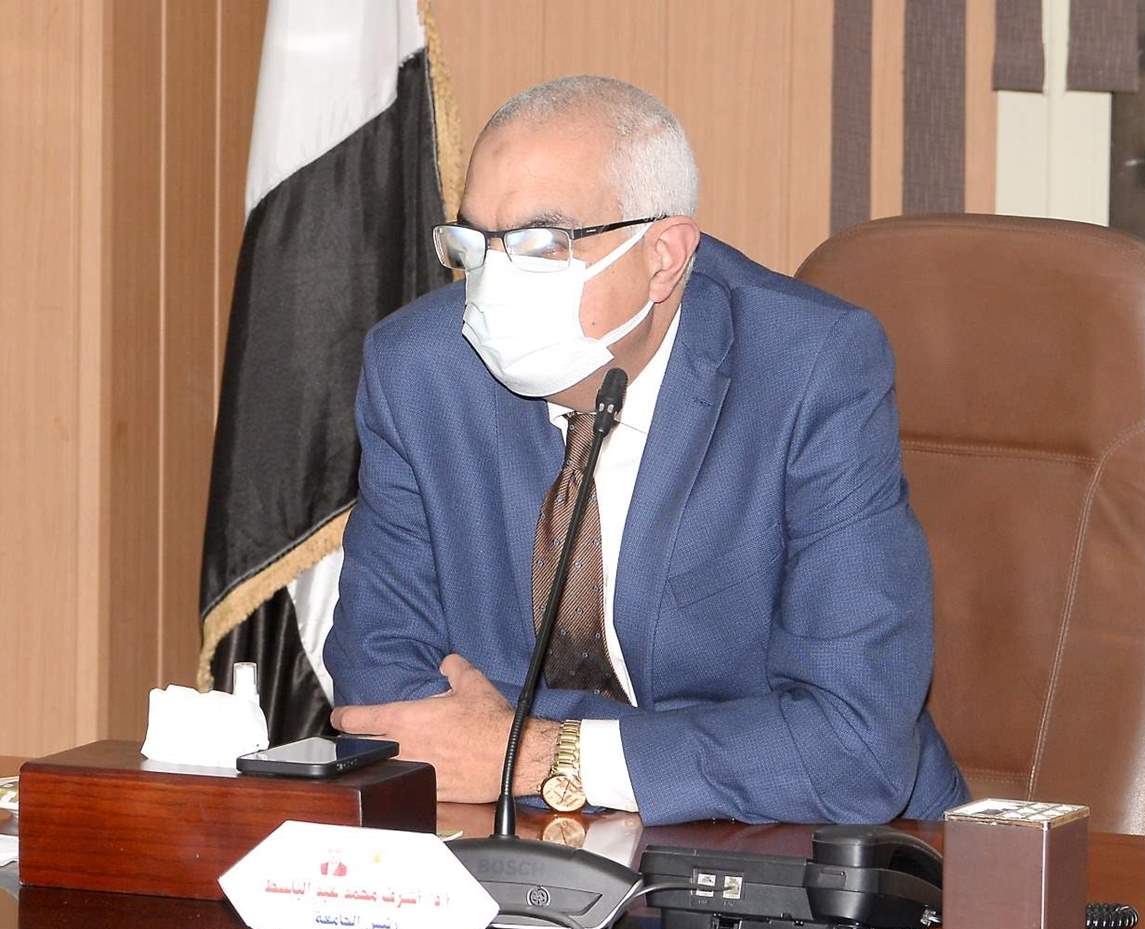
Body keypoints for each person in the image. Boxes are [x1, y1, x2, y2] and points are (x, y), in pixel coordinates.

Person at [324, 75, 968, 825]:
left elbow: (854, 745)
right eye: (473, 243)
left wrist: (538, 753)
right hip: (524, 840)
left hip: (799, 848)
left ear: (663, 256)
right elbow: (382, 702)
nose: (494, 282)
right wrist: (690, 750)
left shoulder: (809, 368)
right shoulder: (420, 369)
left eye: (542, 244)